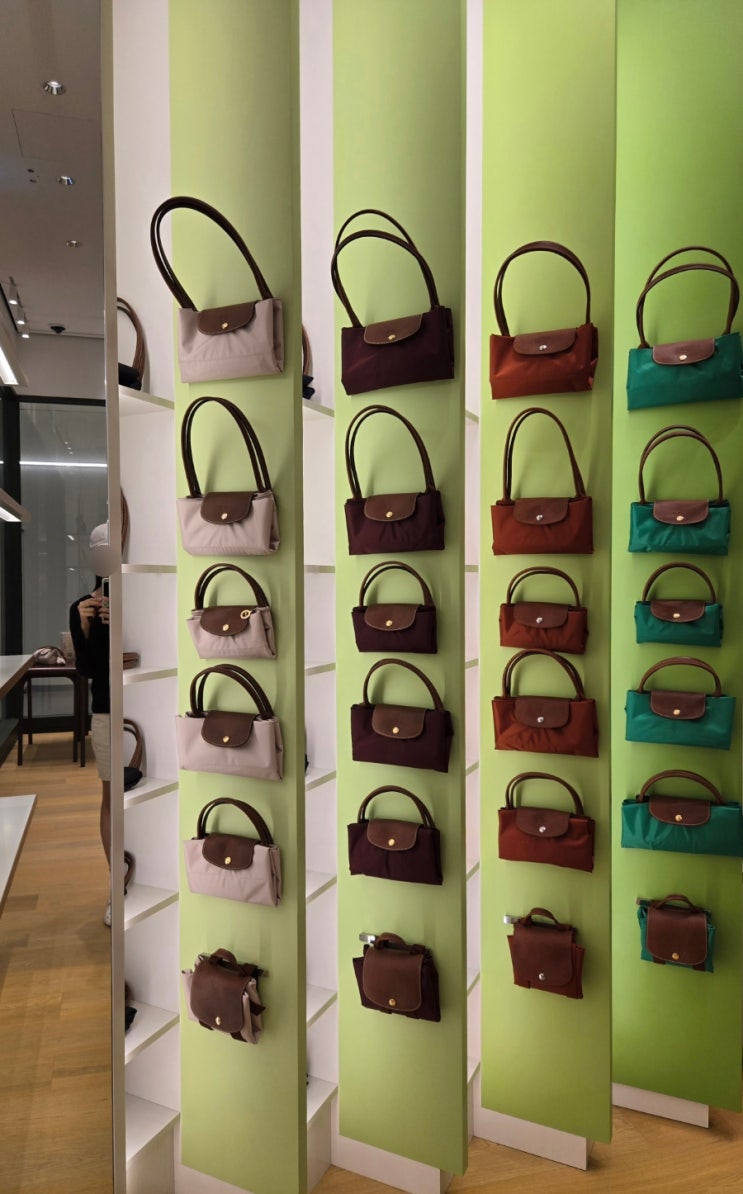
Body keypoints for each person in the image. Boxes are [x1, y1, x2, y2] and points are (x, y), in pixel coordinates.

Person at [69, 523, 115, 925]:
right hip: (105, 709)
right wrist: (84, 630)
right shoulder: (82, 606)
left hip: (149, 703)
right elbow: (87, 670)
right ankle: (117, 883)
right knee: (111, 797)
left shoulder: (143, 600)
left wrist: (123, 620)